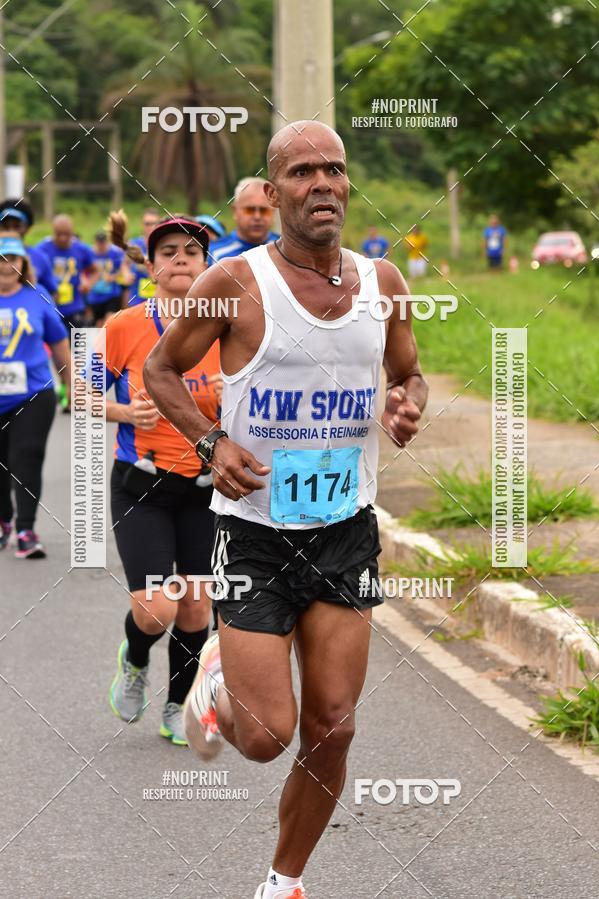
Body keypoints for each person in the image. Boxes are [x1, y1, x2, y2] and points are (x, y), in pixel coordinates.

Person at [144, 121, 428, 898]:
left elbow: (409, 373)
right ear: (272, 193)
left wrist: (406, 405)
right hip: (255, 533)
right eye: (303, 171)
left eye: (334, 169)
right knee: (267, 736)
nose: (323, 183)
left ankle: (283, 880)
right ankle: (214, 685)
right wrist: (209, 445)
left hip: (345, 531)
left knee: (333, 725)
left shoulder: (384, 283)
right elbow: (160, 369)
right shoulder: (235, 283)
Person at [103, 212, 222, 746]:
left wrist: (235, 392)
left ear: (205, 266)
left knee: (197, 606)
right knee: (157, 609)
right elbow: (79, 393)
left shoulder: (229, 326)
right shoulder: (123, 326)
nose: (180, 258)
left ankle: (178, 706)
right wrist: (125, 414)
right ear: (151, 266)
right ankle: (134, 658)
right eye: (169, 251)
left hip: (206, 491)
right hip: (141, 485)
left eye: (191, 252)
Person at [0, 233, 70, 558]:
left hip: (33, 392)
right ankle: (4, 522)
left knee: (26, 457)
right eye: (2, 258)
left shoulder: (37, 296)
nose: (7, 265)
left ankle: (26, 529)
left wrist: (71, 384)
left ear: (24, 263)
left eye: (14, 258)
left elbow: (58, 343)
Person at [35, 214, 98, 329]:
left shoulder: (82, 249)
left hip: (76, 308)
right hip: (50, 309)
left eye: (67, 234)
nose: (63, 238)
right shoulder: (41, 249)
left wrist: (89, 283)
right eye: (59, 234)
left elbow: (95, 271)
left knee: (85, 344)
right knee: (57, 345)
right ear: (53, 231)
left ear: (73, 231)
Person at [208, 177, 279, 265]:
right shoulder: (213, 254)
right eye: (250, 210)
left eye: (264, 210)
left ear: (274, 211)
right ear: (234, 211)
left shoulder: (286, 249)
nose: (257, 217)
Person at [0, 199, 58, 297]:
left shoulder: (40, 258)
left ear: (28, 228)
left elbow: (52, 292)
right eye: (6, 226)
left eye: (17, 226)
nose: (11, 231)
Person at [87, 232, 128, 325]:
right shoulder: (90, 254)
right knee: (99, 324)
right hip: (95, 295)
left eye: (103, 243)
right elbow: (83, 271)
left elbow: (122, 268)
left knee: (109, 320)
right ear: (95, 242)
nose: (101, 246)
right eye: (99, 243)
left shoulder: (114, 253)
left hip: (111, 294)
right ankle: (101, 339)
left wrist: (113, 277)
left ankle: (110, 338)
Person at [126, 208, 161, 307]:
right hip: (136, 299)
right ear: (142, 225)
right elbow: (125, 263)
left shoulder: (164, 245)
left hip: (159, 300)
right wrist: (126, 273)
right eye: (147, 224)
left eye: (154, 223)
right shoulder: (134, 244)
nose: (151, 227)